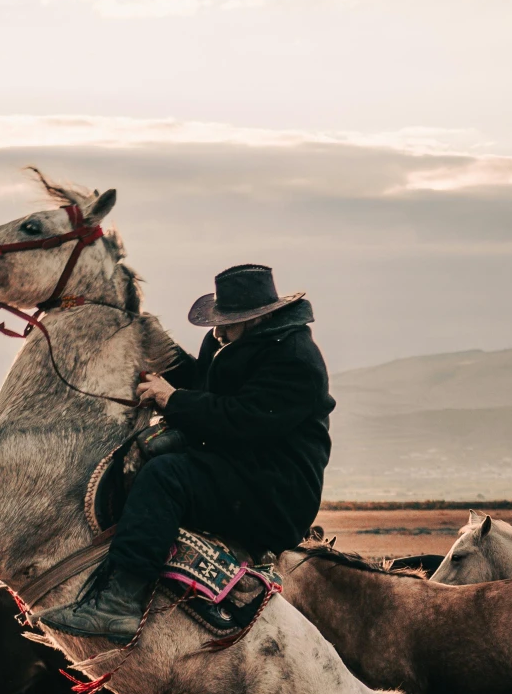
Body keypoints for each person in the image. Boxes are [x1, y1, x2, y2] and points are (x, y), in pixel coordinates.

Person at [47, 262, 334, 643]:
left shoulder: (296, 359)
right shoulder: (231, 342)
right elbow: (205, 385)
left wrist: (174, 399)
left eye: (227, 320)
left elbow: (245, 419)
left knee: (167, 477)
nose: (217, 329)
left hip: (275, 489)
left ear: (255, 318)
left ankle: (120, 603)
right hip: (242, 466)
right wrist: (152, 351)